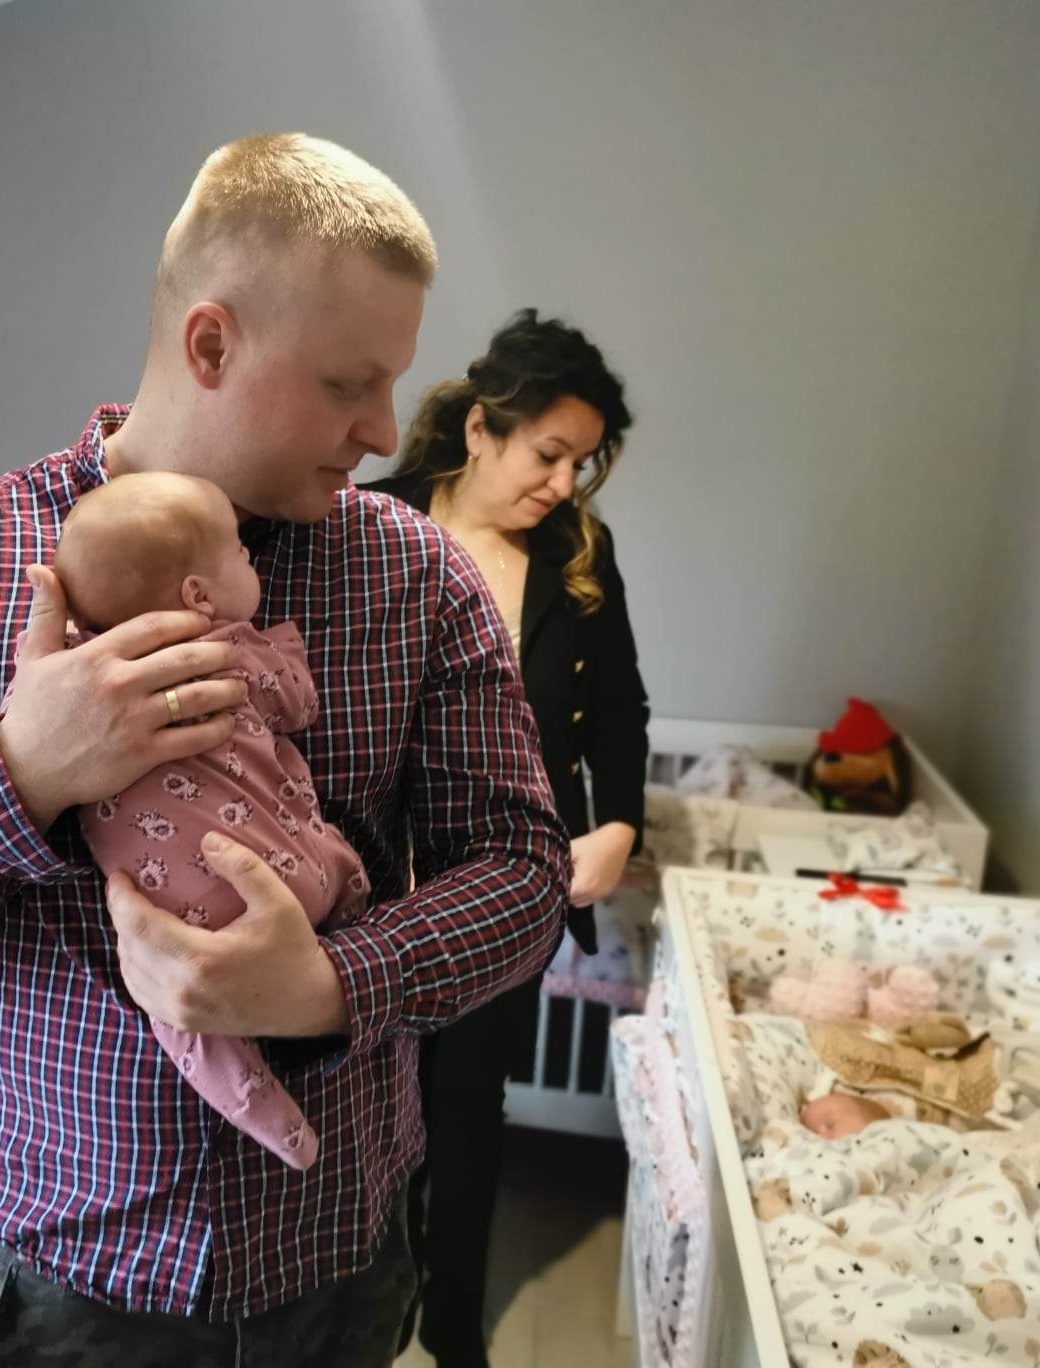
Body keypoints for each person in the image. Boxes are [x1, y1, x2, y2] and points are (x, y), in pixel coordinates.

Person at [0, 134, 572, 1368]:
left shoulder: (418, 578)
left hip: (339, 1267)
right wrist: (20, 773)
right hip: (63, 1292)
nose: (382, 430)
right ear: (210, 345)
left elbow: (526, 875)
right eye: (348, 384)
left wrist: (331, 984)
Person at [365, 310, 649, 1368]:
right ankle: (371, 1307)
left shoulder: (576, 556)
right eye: (549, 454)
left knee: (468, 1108)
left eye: (582, 464)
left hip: (511, 887)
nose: (565, 485)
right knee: (371, 1108)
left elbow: (618, 711)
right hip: (378, 884)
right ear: (482, 429)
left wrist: (618, 822)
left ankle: (452, 1322)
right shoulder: (371, 524)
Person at [56, 469, 374, 1172]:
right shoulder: (228, 650)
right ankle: (353, 897)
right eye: (238, 550)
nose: (249, 556)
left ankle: (274, 1121)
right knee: (332, 852)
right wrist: (280, 646)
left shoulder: (74, 672)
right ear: (198, 596)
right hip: (281, 880)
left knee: (183, 1019)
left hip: (159, 904)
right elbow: (297, 703)